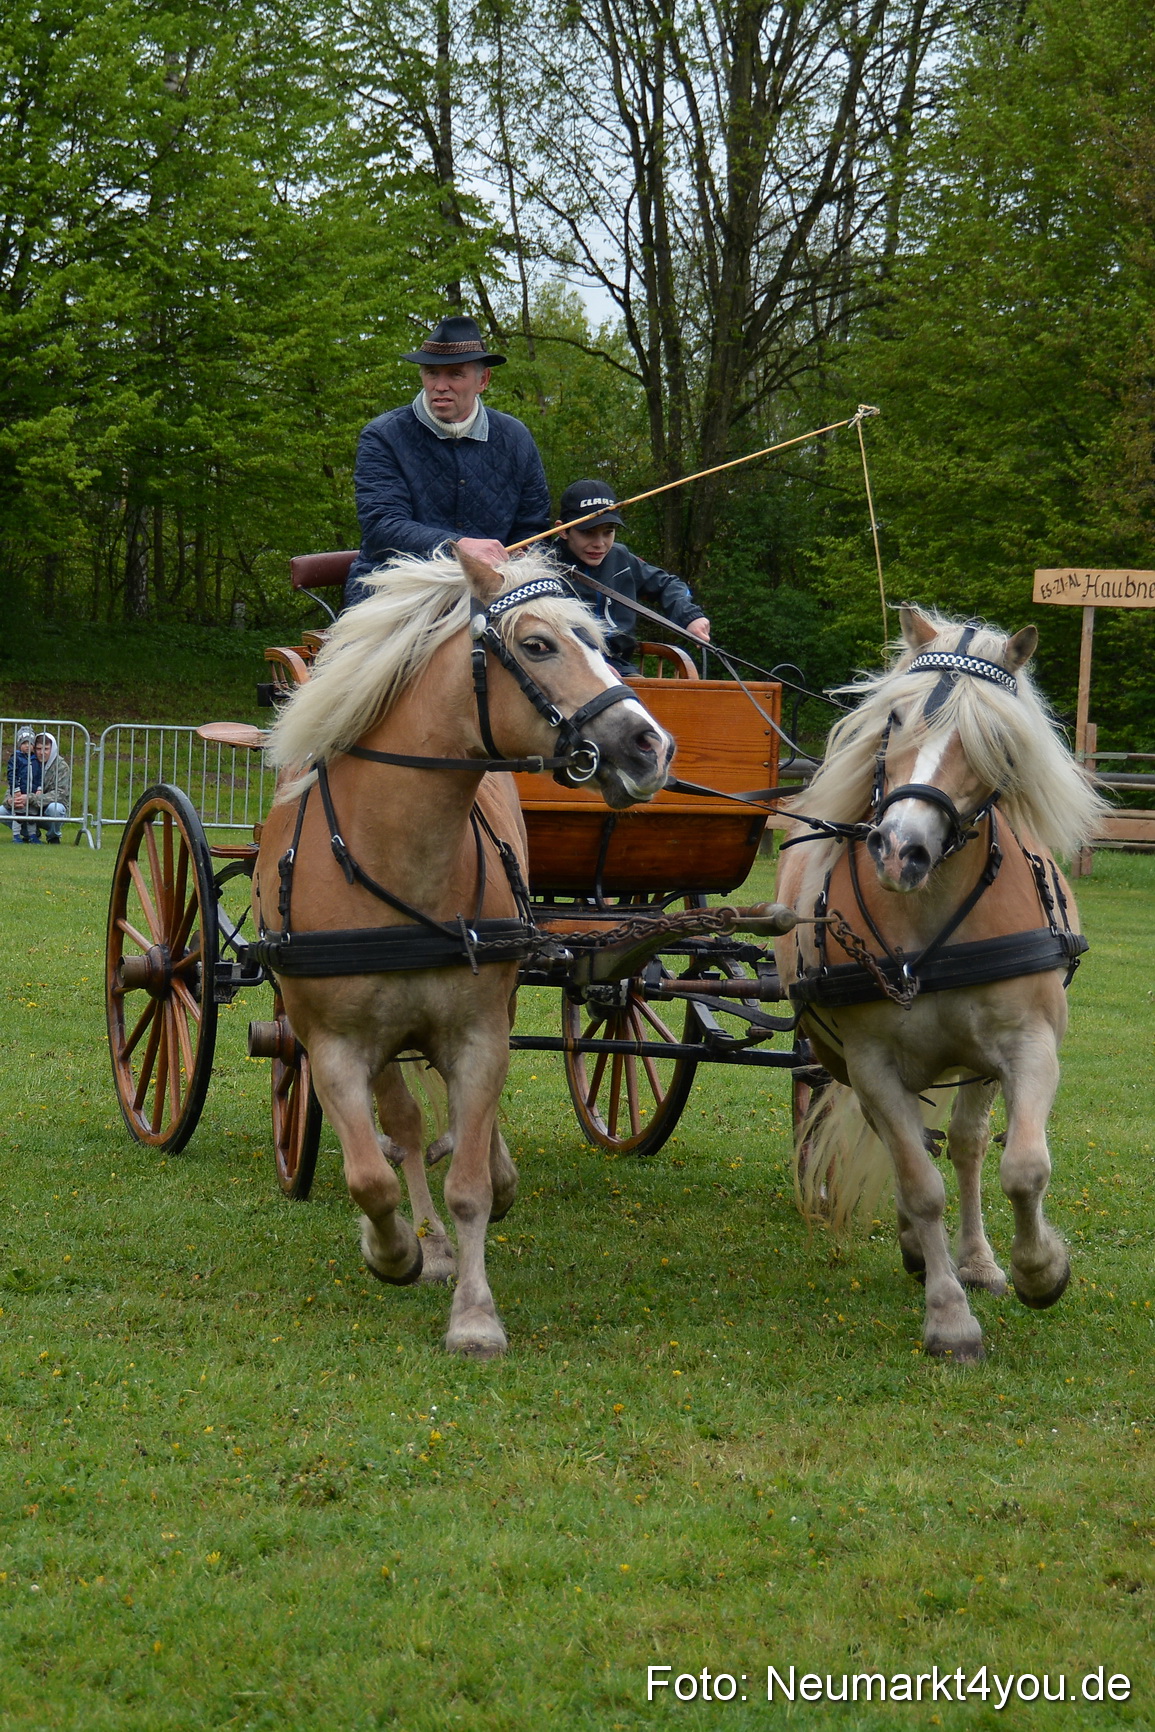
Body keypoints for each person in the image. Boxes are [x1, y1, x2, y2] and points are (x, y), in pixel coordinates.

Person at [343, 315, 551, 609]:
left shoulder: (515, 437)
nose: (440, 386)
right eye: (431, 373)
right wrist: (460, 547)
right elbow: (382, 527)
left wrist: (516, 564)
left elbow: (531, 528)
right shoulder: (383, 436)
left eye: (455, 374)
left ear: (483, 380)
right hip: (397, 590)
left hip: (494, 589)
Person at [552, 480, 711, 675]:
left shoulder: (622, 557)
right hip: (566, 670)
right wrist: (591, 665)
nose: (599, 543)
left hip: (622, 669)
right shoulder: (543, 566)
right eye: (588, 532)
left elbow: (668, 584)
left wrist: (690, 616)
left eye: (608, 532)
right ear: (562, 529)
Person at [27, 732, 71, 843]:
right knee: (3, 811)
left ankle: (53, 836)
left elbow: (60, 793)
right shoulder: (26, 762)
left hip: (49, 810)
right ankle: (29, 833)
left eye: (46, 749)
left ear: (53, 749)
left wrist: (33, 798)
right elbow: (14, 783)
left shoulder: (62, 766)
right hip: (28, 808)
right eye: (38, 749)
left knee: (55, 808)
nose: (41, 753)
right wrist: (10, 799)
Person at [3, 726, 42, 842]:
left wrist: (39, 787)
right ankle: (16, 835)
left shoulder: (36, 760)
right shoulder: (16, 758)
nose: (27, 746)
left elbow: (39, 775)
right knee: (18, 814)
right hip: (20, 792)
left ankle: (32, 835)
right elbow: (11, 775)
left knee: (32, 816)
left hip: (32, 793)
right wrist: (16, 789)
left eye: (30, 743)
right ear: (19, 744)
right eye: (24, 743)